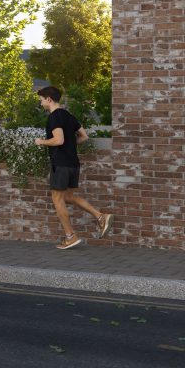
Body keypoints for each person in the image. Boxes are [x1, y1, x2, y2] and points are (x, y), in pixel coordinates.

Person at [33, 86, 113, 250]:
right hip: (73, 163)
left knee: (57, 199)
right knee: (68, 196)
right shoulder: (69, 116)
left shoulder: (54, 117)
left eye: (41, 100)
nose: (41, 103)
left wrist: (41, 142)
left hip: (60, 163)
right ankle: (100, 216)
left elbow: (58, 140)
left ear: (49, 99)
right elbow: (84, 136)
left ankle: (70, 236)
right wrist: (70, 145)